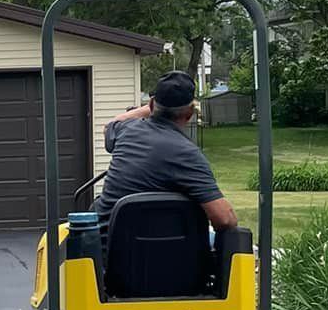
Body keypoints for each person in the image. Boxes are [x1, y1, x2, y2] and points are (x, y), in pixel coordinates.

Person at [97, 71, 238, 230]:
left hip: (107, 249)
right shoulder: (187, 153)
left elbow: (110, 126)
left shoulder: (127, 130)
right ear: (190, 113)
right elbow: (225, 219)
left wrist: (152, 107)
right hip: (168, 250)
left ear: (151, 105)